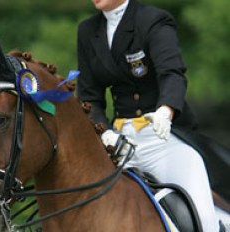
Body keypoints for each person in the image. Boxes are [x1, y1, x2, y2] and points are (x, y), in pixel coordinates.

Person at [76, 0, 221, 231]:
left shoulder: (152, 20)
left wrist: (166, 110)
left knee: (204, 219)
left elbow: (172, 73)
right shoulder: (87, 30)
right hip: (120, 142)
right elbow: (89, 96)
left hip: (162, 137)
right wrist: (105, 133)